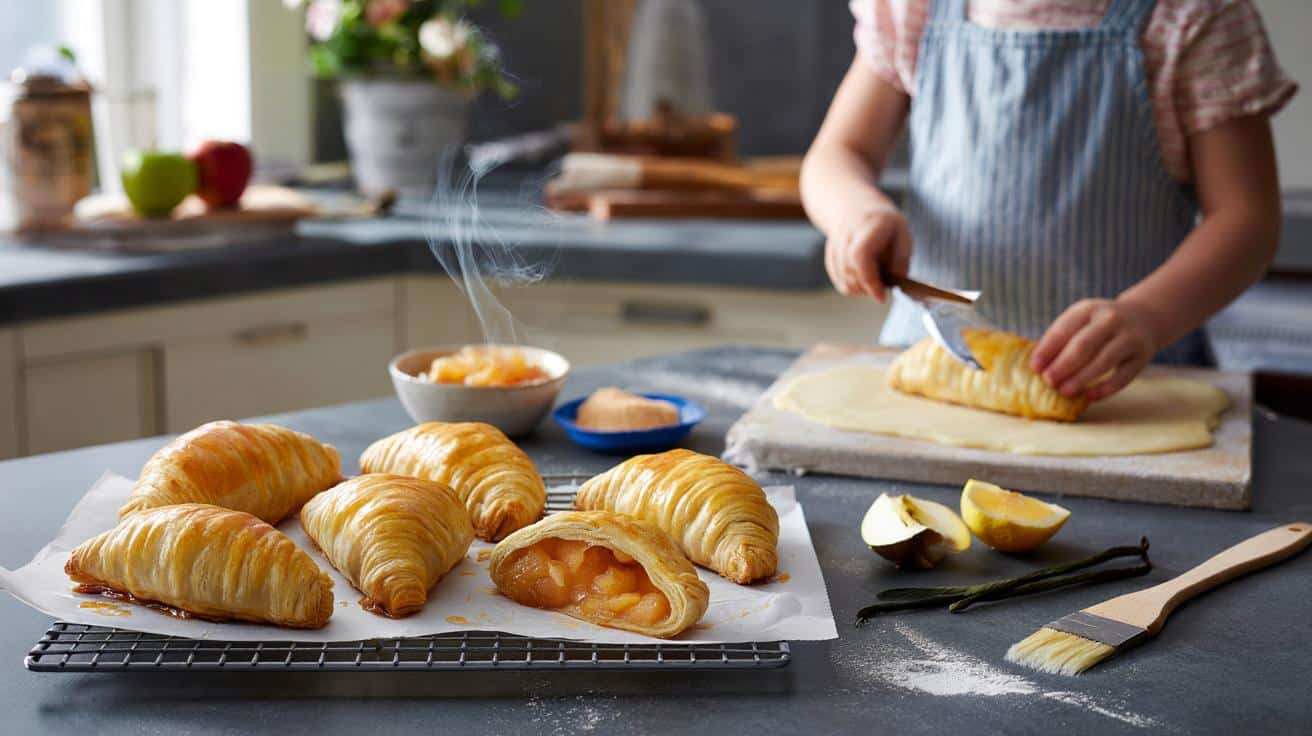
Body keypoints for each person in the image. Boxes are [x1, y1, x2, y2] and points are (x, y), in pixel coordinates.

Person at [801, 0, 1296, 401]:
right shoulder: (915, 9)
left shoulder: (1194, 17)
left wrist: (1148, 316)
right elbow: (838, 155)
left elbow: (1246, 219)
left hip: (1130, 393)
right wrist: (856, 215)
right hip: (932, 372)